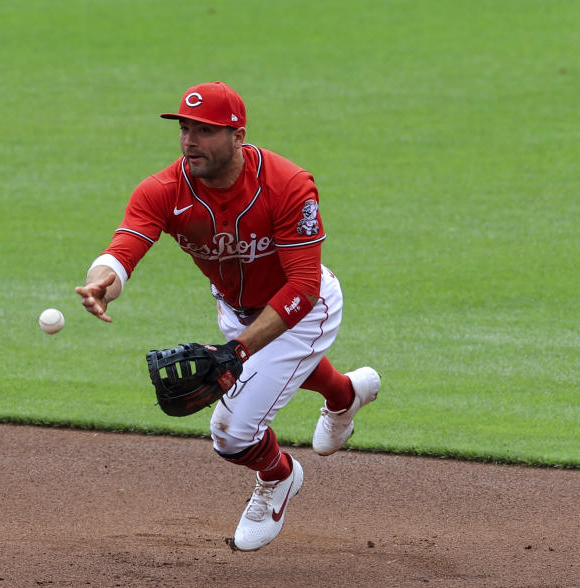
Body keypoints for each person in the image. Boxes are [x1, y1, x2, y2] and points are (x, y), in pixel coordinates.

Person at [75, 81, 380, 551]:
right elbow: (122, 251)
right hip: (235, 311)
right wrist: (103, 283)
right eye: (184, 127)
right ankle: (345, 395)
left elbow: (303, 284)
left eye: (205, 130)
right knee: (277, 370)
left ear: (238, 135)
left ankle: (278, 478)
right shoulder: (162, 190)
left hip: (304, 309)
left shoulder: (288, 185)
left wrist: (237, 351)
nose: (190, 140)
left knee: (231, 433)